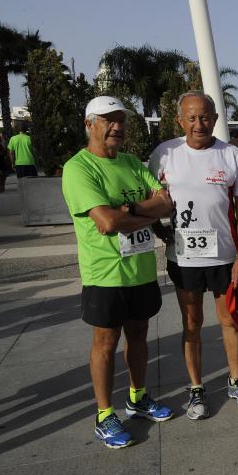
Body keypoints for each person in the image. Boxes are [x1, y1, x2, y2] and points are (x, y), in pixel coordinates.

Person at [62, 96, 174, 448]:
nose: (117, 127)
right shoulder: (79, 168)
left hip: (141, 269)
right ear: (89, 124)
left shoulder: (130, 162)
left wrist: (131, 209)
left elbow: (166, 201)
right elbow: (107, 223)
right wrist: (145, 212)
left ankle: (137, 397)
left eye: (121, 120)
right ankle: (104, 414)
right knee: (106, 343)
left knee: (139, 334)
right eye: (108, 120)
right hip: (105, 273)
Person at [149, 90, 238, 419]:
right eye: (192, 117)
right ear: (180, 120)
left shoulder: (231, 155)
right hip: (183, 258)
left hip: (225, 256)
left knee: (229, 320)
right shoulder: (165, 153)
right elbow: (147, 195)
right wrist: (158, 228)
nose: (199, 123)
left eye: (206, 117)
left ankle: (236, 379)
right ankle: (196, 387)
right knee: (192, 323)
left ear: (215, 118)